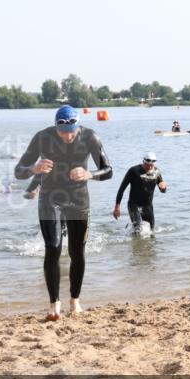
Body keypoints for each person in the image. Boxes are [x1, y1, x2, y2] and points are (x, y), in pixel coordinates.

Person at [14, 105, 112, 321]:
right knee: (53, 248)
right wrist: (33, 169)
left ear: (78, 126)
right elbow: (18, 171)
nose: (68, 136)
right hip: (50, 200)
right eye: (63, 132)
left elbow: (108, 170)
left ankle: (75, 302)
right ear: (56, 127)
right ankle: (54, 305)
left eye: (72, 131)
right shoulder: (42, 138)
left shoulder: (90, 137)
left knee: (78, 252)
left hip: (79, 201)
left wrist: (89, 174)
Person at [113, 152, 167, 234]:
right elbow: (122, 189)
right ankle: (134, 244)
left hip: (148, 206)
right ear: (143, 162)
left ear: (154, 164)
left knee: (151, 231)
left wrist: (163, 188)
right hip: (134, 204)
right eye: (147, 164)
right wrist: (117, 207)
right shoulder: (134, 171)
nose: (149, 167)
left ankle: (148, 246)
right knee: (137, 230)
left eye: (151, 165)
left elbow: (163, 189)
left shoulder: (157, 173)